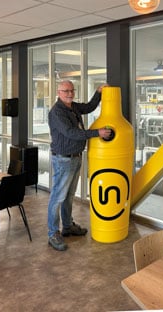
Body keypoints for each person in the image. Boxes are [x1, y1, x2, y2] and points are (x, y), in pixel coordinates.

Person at [47, 80, 112, 251]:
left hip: (75, 157)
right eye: (65, 91)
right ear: (58, 92)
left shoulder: (73, 107)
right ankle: (53, 233)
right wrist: (97, 133)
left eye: (71, 90)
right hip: (63, 159)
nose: (69, 93)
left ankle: (67, 226)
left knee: (69, 196)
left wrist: (99, 92)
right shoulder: (57, 112)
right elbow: (71, 133)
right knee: (58, 197)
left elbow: (90, 107)